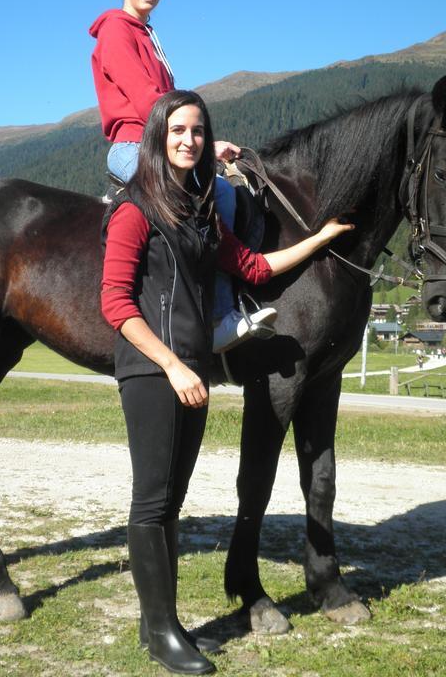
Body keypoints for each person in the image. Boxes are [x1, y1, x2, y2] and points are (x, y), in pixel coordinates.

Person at [101, 90, 353, 674]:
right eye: (178, 130)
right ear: (158, 137)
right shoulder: (134, 210)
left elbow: (253, 267)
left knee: (171, 502)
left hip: (191, 368)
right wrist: (171, 364)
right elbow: (115, 303)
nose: (189, 140)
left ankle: (155, 623)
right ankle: (163, 633)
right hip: (154, 369)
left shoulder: (199, 214)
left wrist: (317, 240)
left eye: (198, 131)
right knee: (151, 501)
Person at [90, 0, 275, 354]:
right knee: (217, 196)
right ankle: (217, 318)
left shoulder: (146, 35)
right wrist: (205, 149)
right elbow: (148, 102)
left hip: (160, 142)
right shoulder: (117, 30)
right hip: (136, 145)